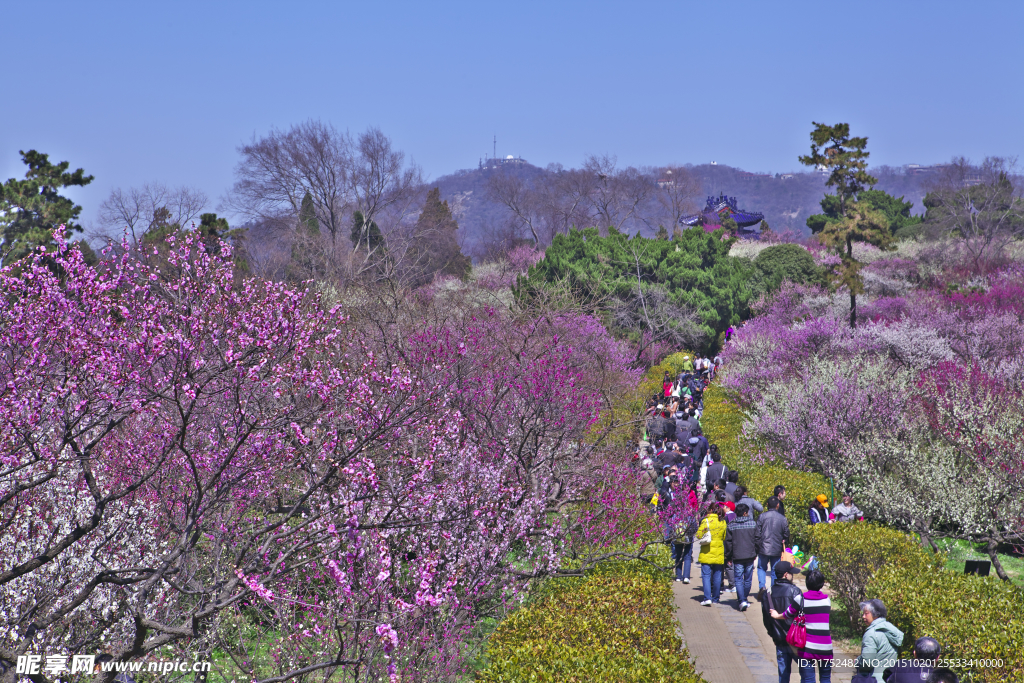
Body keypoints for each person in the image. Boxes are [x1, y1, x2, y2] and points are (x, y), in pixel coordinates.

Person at [769, 569, 833, 682]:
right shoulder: (827, 600)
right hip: (826, 648)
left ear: (807, 583)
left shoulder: (801, 599)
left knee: (808, 680)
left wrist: (776, 615)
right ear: (822, 584)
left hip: (807, 648)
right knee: (825, 679)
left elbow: (787, 614)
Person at [762, 561, 803, 683]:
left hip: (779, 640)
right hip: (796, 640)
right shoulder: (795, 591)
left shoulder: (768, 593)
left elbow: (766, 619)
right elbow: (802, 616)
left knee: (783, 676)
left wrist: (773, 635)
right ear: (786, 574)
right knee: (806, 673)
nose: (793, 575)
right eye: (791, 573)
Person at [856, 599, 904, 683]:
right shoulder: (890, 629)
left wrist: (858, 661)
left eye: (866, 613)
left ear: (875, 614)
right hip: (889, 679)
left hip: (873, 679)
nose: (863, 616)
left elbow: (867, 663)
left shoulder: (871, 634)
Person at [725, 502, 757, 611]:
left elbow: (728, 543)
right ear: (744, 513)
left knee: (738, 579)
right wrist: (755, 552)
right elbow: (757, 540)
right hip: (750, 555)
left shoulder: (731, 525)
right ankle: (744, 599)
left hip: (737, 556)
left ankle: (742, 600)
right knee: (748, 579)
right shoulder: (753, 524)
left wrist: (728, 557)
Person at [755, 496, 789, 595]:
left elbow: (757, 533)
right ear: (778, 505)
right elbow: (786, 533)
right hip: (776, 547)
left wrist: (757, 546)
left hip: (763, 547)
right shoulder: (782, 518)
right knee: (775, 570)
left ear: (767, 505)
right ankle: (773, 589)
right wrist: (784, 541)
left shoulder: (762, 516)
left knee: (761, 568)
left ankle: (762, 586)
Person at [698, 503, 728, 606]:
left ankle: (707, 598)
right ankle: (716, 598)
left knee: (706, 575)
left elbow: (698, 535)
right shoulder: (723, 522)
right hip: (719, 552)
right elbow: (724, 537)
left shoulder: (706, 521)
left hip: (706, 552)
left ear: (710, 510)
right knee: (717, 576)